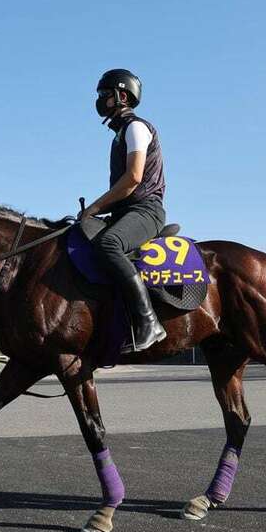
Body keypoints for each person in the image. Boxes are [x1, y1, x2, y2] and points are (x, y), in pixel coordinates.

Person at [82, 68, 167, 353]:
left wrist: (94, 207)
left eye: (104, 95)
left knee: (108, 243)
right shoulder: (119, 134)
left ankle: (149, 323)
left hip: (147, 210)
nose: (99, 101)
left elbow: (133, 178)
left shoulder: (136, 128)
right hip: (128, 212)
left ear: (121, 95)